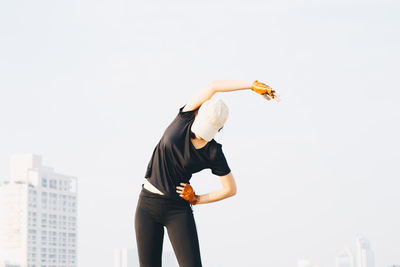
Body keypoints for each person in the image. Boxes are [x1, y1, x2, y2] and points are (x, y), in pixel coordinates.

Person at [134, 80, 280, 267]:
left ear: (219, 128)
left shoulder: (213, 152)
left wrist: (196, 199)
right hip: (148, 205)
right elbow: (213, 86)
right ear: (198, 114)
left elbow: (230, 189)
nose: (202, 135)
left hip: (178, 210)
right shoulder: (184, 118)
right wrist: (251, 85)